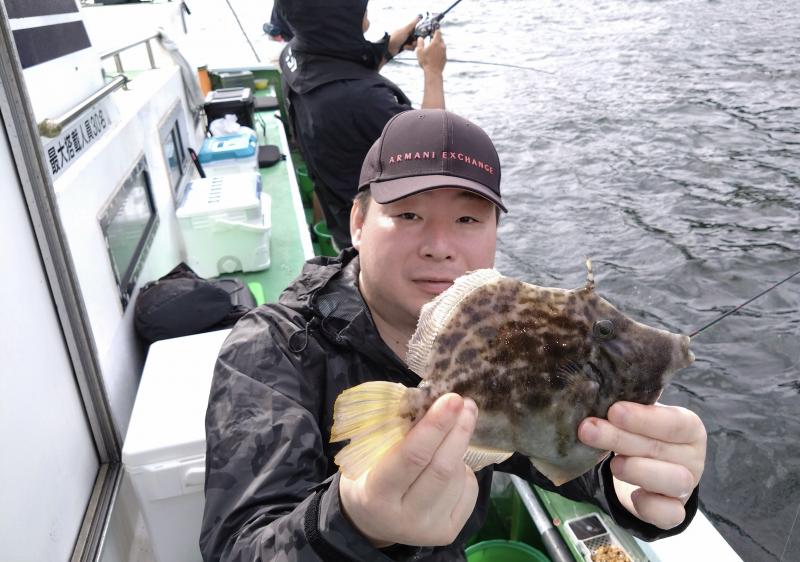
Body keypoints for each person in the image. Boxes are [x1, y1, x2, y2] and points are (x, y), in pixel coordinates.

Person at [200, 109, 707, 561]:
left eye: (467, 217)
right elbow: (238, 545)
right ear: (358, 222)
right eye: (408, 215)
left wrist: (629, 481)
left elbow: (544, 436)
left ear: (493, 232)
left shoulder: (507, 336)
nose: (440, 246)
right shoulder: (270, 350)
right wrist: (353, 523)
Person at [277, 0, 446, 250]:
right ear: (342, 18)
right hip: (372, 240)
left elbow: (337, 71)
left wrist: (390, 46)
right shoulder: (365, 100)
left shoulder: (292, 53)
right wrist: (433, 71)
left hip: (340, 216)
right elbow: (432, 144)